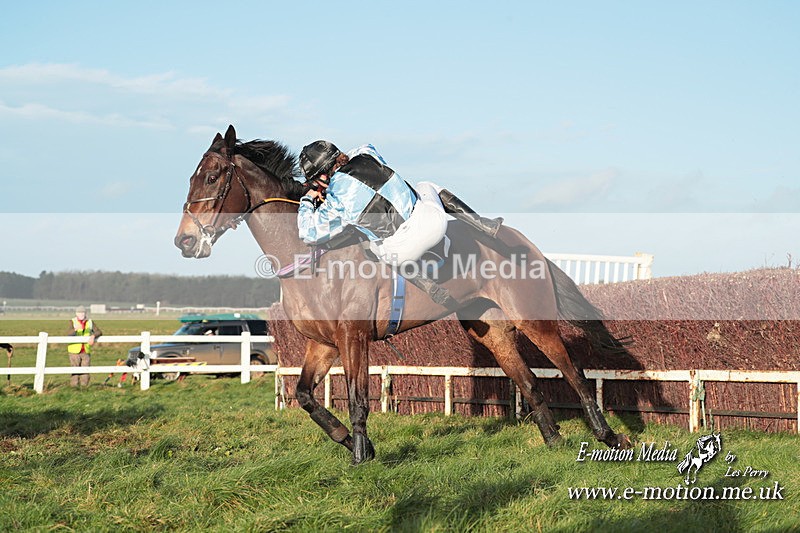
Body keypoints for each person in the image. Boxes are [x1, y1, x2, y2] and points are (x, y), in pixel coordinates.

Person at [297, 141, 502, 266]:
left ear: (323, 176)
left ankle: (430, 287)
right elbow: (366, 146)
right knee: (425, 185)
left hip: (401, 255)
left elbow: (308, 234)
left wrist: (308, 198)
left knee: (370, 244)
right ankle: (484, 225)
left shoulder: (334, 202)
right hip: (434, 226)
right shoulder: (366, 156)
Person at [66, 305, 102, 387]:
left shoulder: (90, 322)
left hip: (85, 350)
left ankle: (84, 387)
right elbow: (68, 334)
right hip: (74, 350)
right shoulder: (72, 321)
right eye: (79, 312)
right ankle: (74, 387)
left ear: (85, 313)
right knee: (75, 369)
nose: (81, 314)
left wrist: (93, 336)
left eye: (83, 312)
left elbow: (99, 332)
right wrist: (75, 329)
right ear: (76, 313)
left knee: (85, 370)